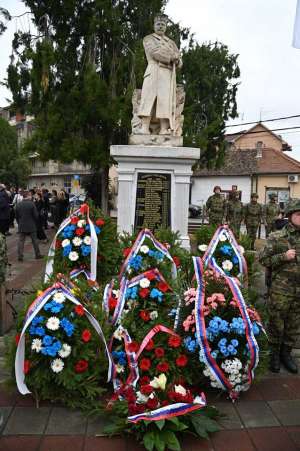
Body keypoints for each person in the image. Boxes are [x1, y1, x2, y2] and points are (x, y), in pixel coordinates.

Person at [259, 198, 300, 374]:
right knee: (276, 324)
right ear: (290, 216)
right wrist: (284, 256)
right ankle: (274, 355)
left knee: (293, 325)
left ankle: (286, 354)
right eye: (299, 214)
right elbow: (263, 259)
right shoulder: (277, 236)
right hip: (280, 291)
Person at [138, 14, 182, 135]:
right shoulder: (148, 39)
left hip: (167, 75)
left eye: (163, 24)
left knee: (165, 101)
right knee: (148, 99)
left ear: (166, 27)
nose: (160, 27)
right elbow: (154, 53)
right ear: (154, 25)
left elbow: (179, 59)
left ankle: (163, 129)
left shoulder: (171, 43)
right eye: (158, 24)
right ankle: (144, 127)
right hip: (153, 70)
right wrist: (172, 57)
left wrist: (178, 61)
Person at [15, 191, 43, 262]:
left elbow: (16, 216)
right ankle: (37, 254)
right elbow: (36, 216)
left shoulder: (18, 204)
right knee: (34, 240)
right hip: (31, 225)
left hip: (22, 225)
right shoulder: (32, 204)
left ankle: (20, 256)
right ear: (28, 196)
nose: (31, 196)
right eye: (30, 195)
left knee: (21, 241)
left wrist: (19, 223)